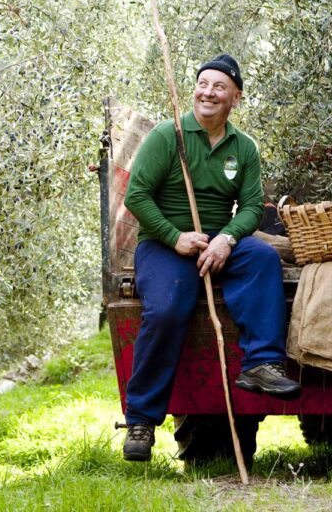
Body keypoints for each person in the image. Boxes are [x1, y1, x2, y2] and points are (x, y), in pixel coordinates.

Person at [121, 54, 300, 462]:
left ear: (235, 97)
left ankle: (262, 365)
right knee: (167, 308)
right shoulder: (170, 137)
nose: (208, 92)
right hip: (165, 245)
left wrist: (228, 240)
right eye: (203, 83)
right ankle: (142, 419)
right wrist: (174, 237)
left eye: (219, 86)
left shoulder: (244, 147)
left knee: (262, 259)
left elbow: (253, 208)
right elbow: (137, 197)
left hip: (218, 239)